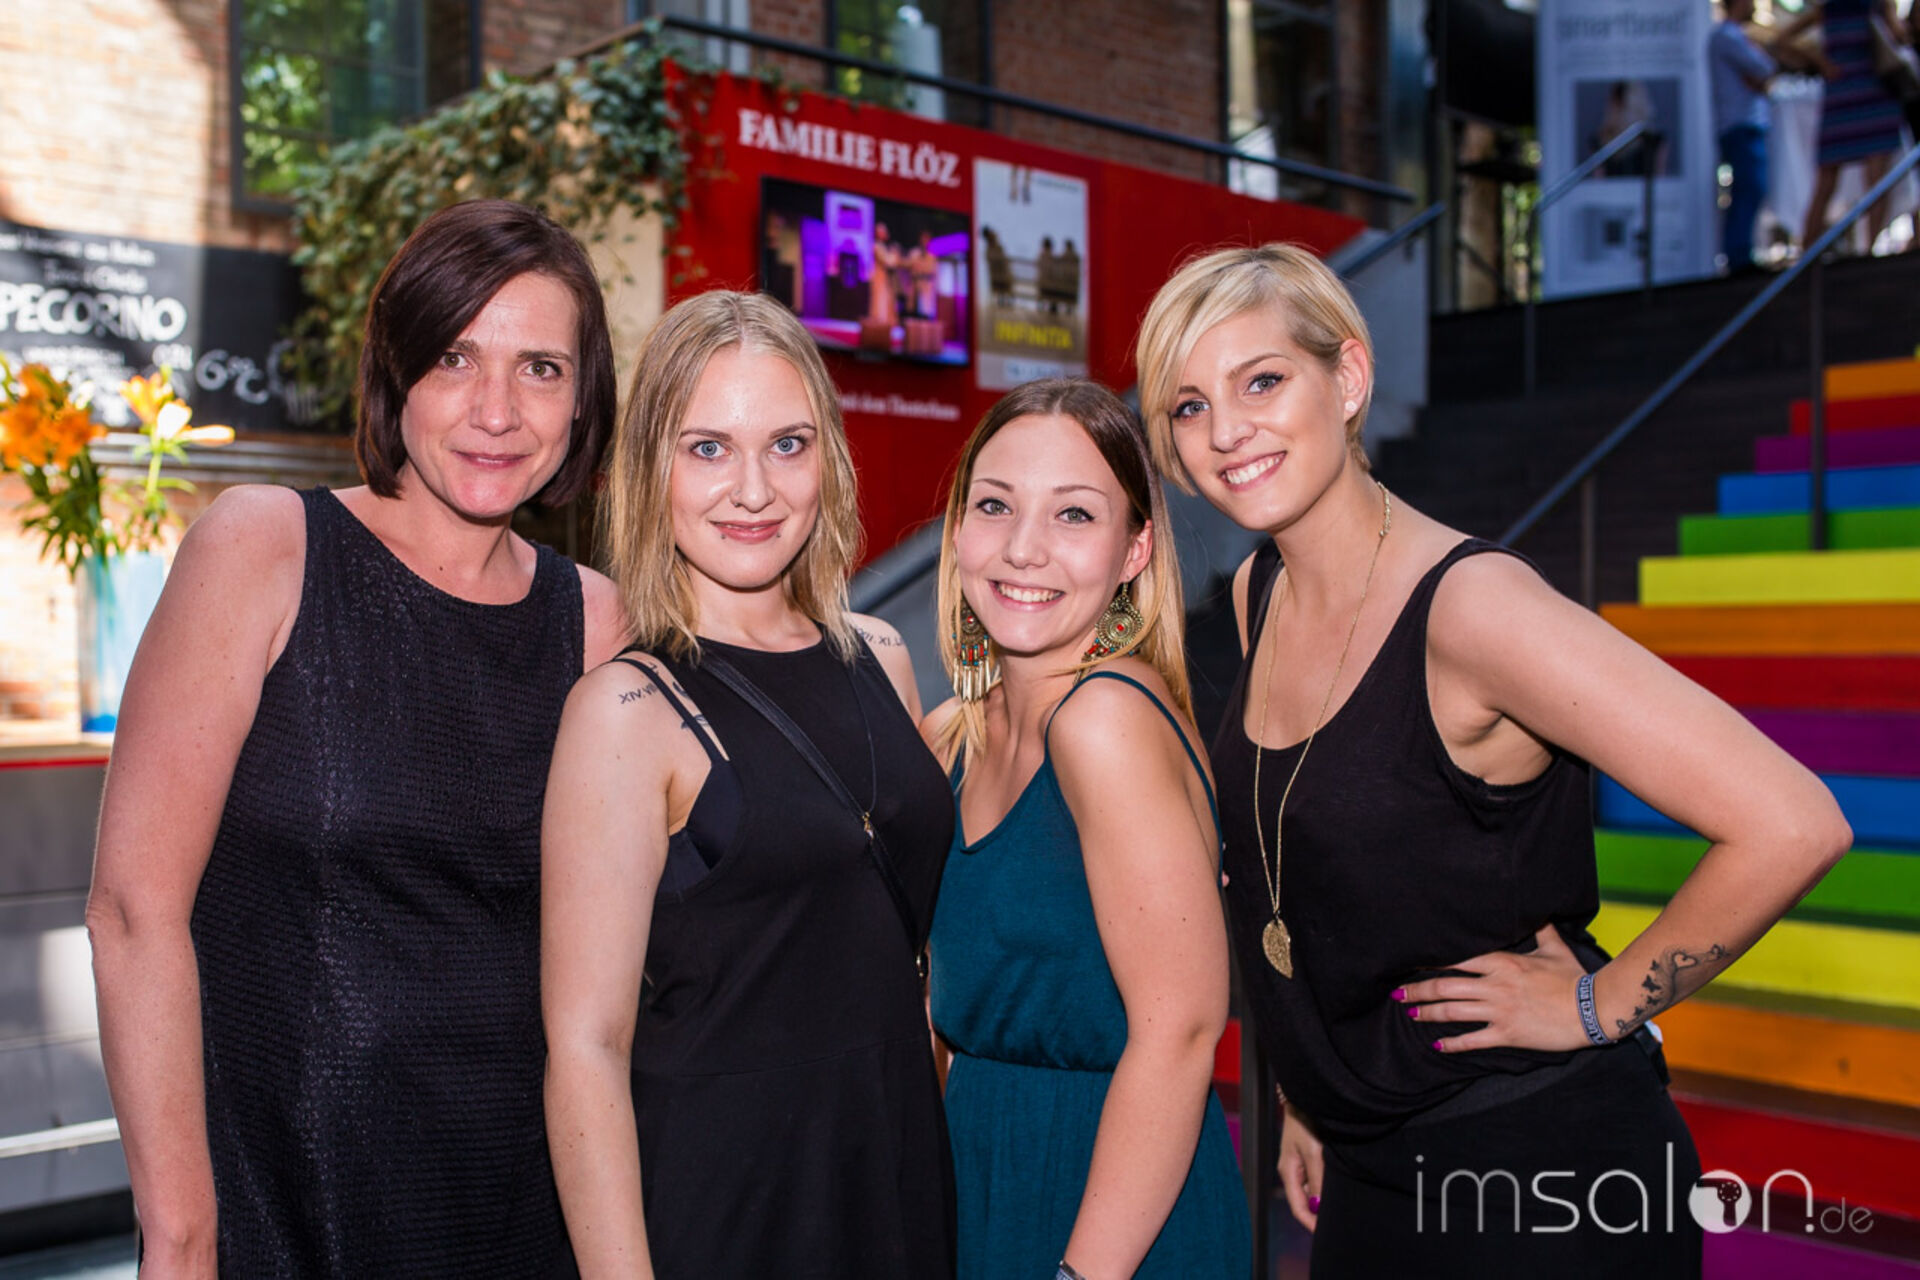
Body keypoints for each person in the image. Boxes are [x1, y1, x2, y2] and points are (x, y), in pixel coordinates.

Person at [1134, 244, 1851, 1277]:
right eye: (1190, 406)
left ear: (1348, 377)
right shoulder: (1261, 592)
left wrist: (1596, 1005)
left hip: (1539, 1168)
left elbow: (1793, 821)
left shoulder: (1475, 609)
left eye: (1262, 381)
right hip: (1370, 1154)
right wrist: (1308, 1089)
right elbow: (1312, 879)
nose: (1226, 431)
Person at [87, 199, 626, 1277]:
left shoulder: (598, 624)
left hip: (522, 1215)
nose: (496, 410)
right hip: (283, 1211)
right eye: (456, 357)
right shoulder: (265, 549)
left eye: (540, 369)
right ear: (397, 373)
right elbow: (134, 909)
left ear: (582, 402)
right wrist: (181, 1233)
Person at [542, 290, 956, 1279]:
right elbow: (586, 1047)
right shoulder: (626, 710)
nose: (754, 489)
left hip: (895, 1180)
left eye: (787, 444)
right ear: (652, 467)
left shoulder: (885, 658)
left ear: (828, 459)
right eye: (708, 448)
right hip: (726, 1208)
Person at [924, 378, 1250, 1280]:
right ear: (959, 528)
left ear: (1134, 549)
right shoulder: (951, 737)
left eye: (1074, 514)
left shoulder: (1104, 719)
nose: (1023, 549)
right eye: (995, 506)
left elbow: (1182, 1031)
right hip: (978, 1174)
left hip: (1109, 1209)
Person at [1778, 0, 1909, 249]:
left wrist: (1820, 61)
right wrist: (1819, 61)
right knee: (1855, 182)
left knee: (1849, 181)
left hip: (1859, 96)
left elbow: (1782, 40)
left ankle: (1855, 251)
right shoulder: (1861, 6)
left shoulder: (1842, 8)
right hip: (1860, 96)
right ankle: (1822, 251)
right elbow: (1899, 36)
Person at [1709, 0, 1780, 271]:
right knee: (1749, 188)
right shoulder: (1726, 36)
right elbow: (1764, 68)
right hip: (1740, 125)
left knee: (1750, 189)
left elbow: (1761, 74)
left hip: (1744, 125)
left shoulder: (1734, 36)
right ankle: (1737, 255)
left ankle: (1740, 251)